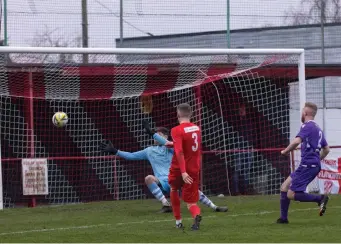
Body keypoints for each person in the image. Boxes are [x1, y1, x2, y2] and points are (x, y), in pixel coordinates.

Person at [99, 123, 228, 214]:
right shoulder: (149, 150)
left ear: (165, 137)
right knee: (148, 178)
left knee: (194, 189)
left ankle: (215, 207)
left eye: (158, 134)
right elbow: (131, 156)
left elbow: (171, 145)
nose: (155, 136)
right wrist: (115, 151)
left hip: (177, 178)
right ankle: (166, 204)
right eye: (155, 134)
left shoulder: (171, 147)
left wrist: (153, 134)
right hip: (162, 181)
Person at [277, 102, 330, 224]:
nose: (301, 113)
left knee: (291, 194)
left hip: (308, 165)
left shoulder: (307, 126)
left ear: (305, 113)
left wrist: (285, 151)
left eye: (302, 111)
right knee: (284, 187)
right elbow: (327, 149)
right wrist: (317, 160)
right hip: (309, 165)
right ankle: (283, 219)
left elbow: (296, 142)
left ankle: (320, 198)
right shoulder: (318, 129)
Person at [168, 103, 203, 231]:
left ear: (178, 114)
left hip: (179, 168)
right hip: (194, 168)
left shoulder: (176, 130)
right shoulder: (197, 128)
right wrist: (173, 143)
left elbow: (180, 152)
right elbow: (189, 146)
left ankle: (178, 222)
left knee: (173, 189)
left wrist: (182, 172)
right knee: (191, 202)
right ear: (191, 114)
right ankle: (196, 215)